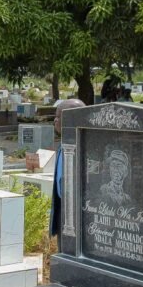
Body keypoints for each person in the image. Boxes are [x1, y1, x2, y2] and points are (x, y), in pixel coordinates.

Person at [49, 99, 86, 249]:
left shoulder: (83, 146)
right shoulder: (64, 143)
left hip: (77, 212)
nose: (55, 120)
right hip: (62, 207)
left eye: (59, 116)